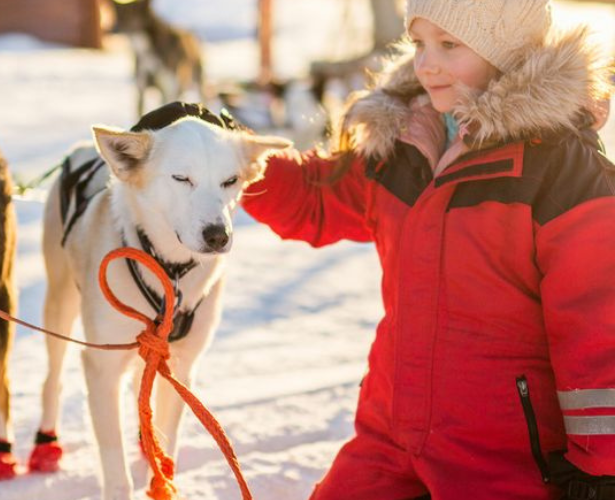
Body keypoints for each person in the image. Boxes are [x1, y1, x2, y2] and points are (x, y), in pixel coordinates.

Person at [242, 1, 615, 498]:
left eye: (449, 45)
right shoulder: (404, 141)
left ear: (506, 51)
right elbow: (316, 199)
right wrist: (224, 157)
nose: (425, 65)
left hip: (504, 456)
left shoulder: (559, 172)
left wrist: (601, 472)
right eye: (418, 43)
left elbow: (597, 331)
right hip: (389, 441)